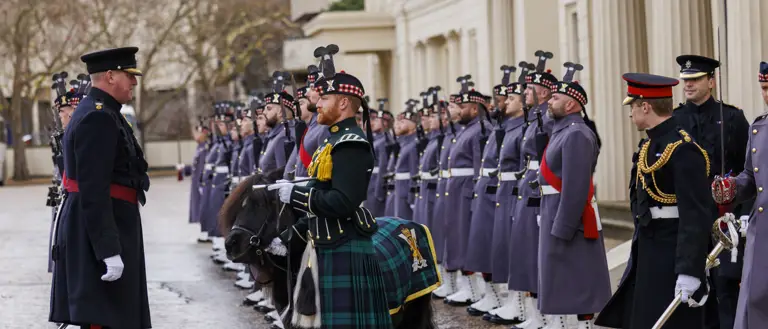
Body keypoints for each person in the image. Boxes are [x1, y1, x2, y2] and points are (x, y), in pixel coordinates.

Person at [269, 45, 392, 329]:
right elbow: (321, 190)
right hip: (325, 242)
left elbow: (342, 202)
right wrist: (290, 235)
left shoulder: (350, 144)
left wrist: (296, 194)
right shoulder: (332, 139)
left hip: (344, 245)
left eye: (324, 98)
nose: (317, 104)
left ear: (344, 104)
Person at [595, 73, 712, 329]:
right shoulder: (650, 145)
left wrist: (689, 269)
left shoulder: (683, 149)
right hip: (649, 247)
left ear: (645, 106)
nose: (630, 113)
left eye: (633, 106)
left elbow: (696, 214)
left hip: (671, 253)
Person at [49, 46, 151, 329]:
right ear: (109, 76)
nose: (134, 82)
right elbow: (93, 189)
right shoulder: (97, 116)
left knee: (115, 316)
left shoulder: (106, 111)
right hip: (102, 230)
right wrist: (107, 249)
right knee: (106, 319)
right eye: (128, 75)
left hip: (113, 224)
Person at [672, 54, 751, 329]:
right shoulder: (675, 119)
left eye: (695, 79)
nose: (688, 85)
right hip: (689, 222)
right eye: (685, 80)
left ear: (711, 81)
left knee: (727, 290)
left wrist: (742, 216)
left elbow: (748, 172)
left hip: (725, 221)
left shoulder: (732, 118)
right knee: (692, 296)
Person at [536, 63, 610, 328]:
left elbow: (576, 187)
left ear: (571, 106)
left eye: (555, 98)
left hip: (568, 216)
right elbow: (543, 120)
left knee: (576, 279)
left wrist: (564, 225)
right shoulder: (562, 130)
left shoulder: (577, 134)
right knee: (559, 278)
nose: (548, 102)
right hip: (552, 207)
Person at [711, 61, 768, 329]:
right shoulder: (759, 129)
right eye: (764, 88)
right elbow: (750, 176)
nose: (767, 95)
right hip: (762, 236)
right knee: (755, 305)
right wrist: (732, 187)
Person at [507, 51, 556, 329]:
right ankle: (535, 315)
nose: (525, 93)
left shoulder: (548, 117)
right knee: (526, 251)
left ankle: (549, 317)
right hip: (528, 186)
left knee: (539, 253)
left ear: (544, 91)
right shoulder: (534, 116)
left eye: (530, 89)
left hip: (541, 188)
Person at [485, 66, 530, 323]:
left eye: (511, 98)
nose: (504, 103)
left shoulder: (522, 127)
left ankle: (522, 305)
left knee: (518, 250)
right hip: (506, 190)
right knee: (505, 248)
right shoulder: (507, 127)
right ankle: (514, 301)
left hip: (517, 192)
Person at [443, 75, 491, 306]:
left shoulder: (481, 129)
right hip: (457, 189)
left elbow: (478, 166)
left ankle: (474, 289)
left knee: (466, 238)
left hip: (467, 190)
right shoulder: (467, 129)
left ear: (474, 108)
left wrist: (473, 195)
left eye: (461, 107)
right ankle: (466, 286)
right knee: (457, 237)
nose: (457, 111)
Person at [431, 97, 460, 299]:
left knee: (461, 238)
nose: (443, 115)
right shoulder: (449, 135)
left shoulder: (469, 132)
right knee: (443, 235)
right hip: (446, 186)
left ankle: (466, 287)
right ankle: (449, 283)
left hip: (460, 189)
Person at [388, 101, 419, 219]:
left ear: (413, 124)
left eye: (402, 121)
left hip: (406, 192)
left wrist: (411, 198)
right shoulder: (404, 143)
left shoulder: (413, 144)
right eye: (397, 121)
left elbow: (414, 172)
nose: (397, 125)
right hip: (399, 189)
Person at [365, 99, 391, 217]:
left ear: (385, 123)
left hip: (376, 184)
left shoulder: (384, 141)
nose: (373, 122)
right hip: (370, 183)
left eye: (377, 120)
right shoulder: (376, 140)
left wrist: (379, 191)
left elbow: (383, 166)